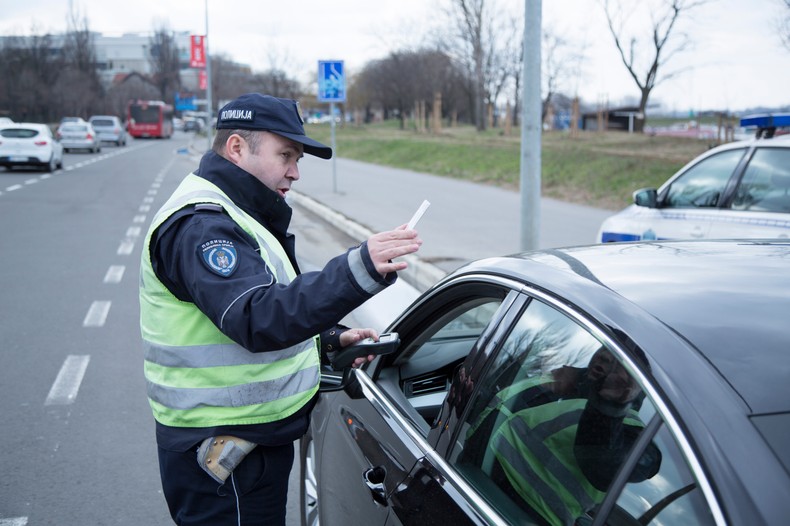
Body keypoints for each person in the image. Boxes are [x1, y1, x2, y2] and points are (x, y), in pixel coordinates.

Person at [139, 93, 422, 525]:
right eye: (285, 155)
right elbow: (255, 316)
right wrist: (357, 269)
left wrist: (326, 339)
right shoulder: (203, 224)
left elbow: (259, 308)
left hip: (245, 442)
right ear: (237, 148)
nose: (295, 171)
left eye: (298, 158)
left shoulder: (240, 212)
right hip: (221, 454)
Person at [466, 348, 661, 526]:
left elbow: (604, 464)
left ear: (631, 387)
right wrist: (468, 402)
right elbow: (503, 410)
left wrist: (611, 406)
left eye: (618, 363)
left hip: (518, 515)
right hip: (469, 475)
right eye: (604, 350)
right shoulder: (560, 382)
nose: (604, 357)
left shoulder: (633, 434)